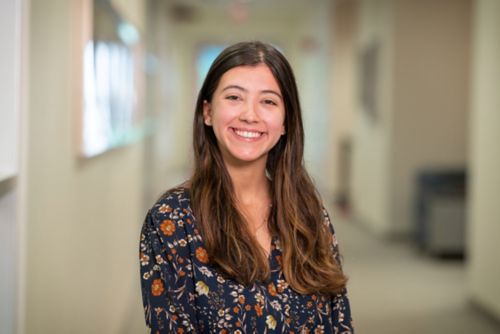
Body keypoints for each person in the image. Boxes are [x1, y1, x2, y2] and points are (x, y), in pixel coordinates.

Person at [139, 41, 353, 333]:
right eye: (234, 97)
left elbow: (338, 322)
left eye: (268, 101)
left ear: (285, 121)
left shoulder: (309, 213)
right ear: (207, 112)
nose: (250, 115)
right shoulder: (171, 221)